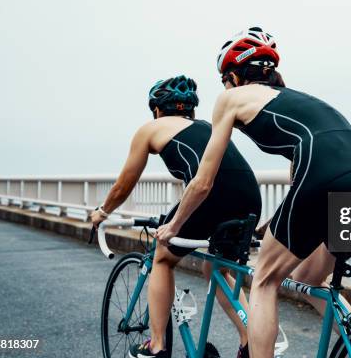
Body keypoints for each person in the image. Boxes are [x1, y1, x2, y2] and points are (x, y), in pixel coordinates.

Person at [155, 28, 351, 357]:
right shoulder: (301, 100)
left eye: (225, 80)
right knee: (312, 278)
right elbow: (304, 166)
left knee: (265, 280)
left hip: (325, 176)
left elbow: (203, 181)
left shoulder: (231, 99)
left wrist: (174, 226)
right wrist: (273, 225)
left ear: (233, 77)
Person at [90, 76, 261, 358]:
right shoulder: (207, 126)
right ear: (190, 110)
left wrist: (103, 211)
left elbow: (124, 185)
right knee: (218, 269)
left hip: (209, 195)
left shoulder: (150, 129)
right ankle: (249, 341)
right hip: (249, 195)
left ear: (157, 110)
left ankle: (157, 345)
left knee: (162, 257)